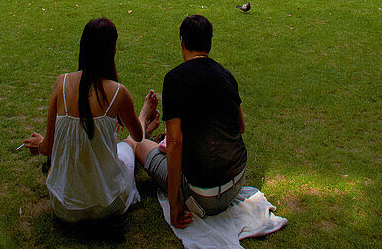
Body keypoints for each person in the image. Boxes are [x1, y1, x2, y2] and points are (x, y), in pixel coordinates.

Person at [23, 17, 160, 222]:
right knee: (129, 144)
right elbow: (138, 137)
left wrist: (41, 143)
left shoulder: (62, 83)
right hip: (108, 203)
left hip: (64, 206)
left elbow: (48, 148)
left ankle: (123, 128)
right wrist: (143, 113)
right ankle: (140, 121)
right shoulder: (118, 92)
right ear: (113, 50)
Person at [128, 15, 247, 229]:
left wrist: (174, 202)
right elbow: (241, 127)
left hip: (202, 196)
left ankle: (143, 125)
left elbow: (175, 143)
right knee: (169, 140)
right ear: (209, 43)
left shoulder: (175, 80)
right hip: (237, 181)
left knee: (137, 144)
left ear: (182, 42)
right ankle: (151, 132)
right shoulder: (226, 75)